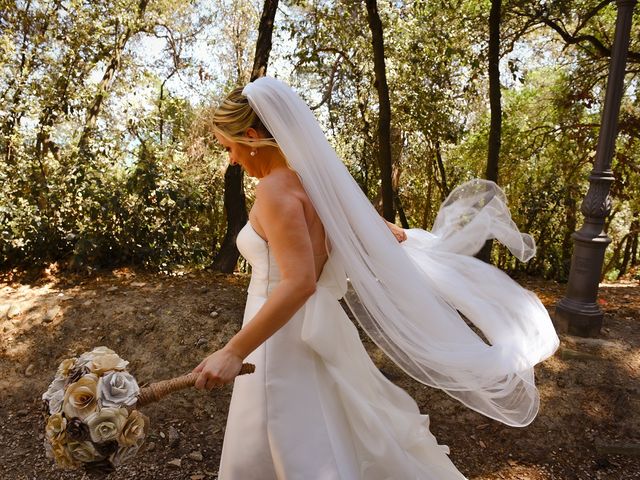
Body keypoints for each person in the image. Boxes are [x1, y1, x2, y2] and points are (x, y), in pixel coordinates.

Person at [193, 77, 559, 479]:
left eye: (229, 148)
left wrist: (233, 350)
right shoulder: (315, 186)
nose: (231, 160)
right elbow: (379, 232)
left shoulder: (274, 191)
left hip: (277, 339)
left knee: (285, 441)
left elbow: (299, 283)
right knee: (329, 433)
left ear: (250, 137)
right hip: (308, 329)